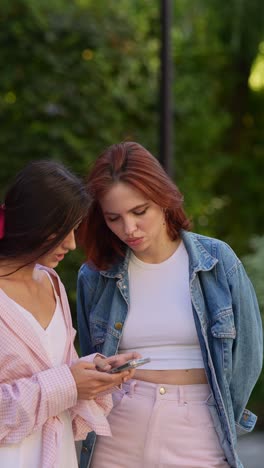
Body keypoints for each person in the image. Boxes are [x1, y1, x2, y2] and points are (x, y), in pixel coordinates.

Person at [77, 141, 263, 468]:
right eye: (114, 218)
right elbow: (89, 361)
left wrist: (225, 425)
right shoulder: (95, 275)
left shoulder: (217, 261)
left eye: (139, 212)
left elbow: (249, 352)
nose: (129, 229)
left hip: (198, 431)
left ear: (162, 200)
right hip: (117, 430)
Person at [0, 160, 139, 468]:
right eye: (62, 230)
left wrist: (94, 370)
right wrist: (67, 384)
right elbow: (60, 382)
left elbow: (59, 371)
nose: (72, 243)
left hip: (58, 454)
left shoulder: (52, 283)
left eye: (74, 229)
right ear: (31, 223)